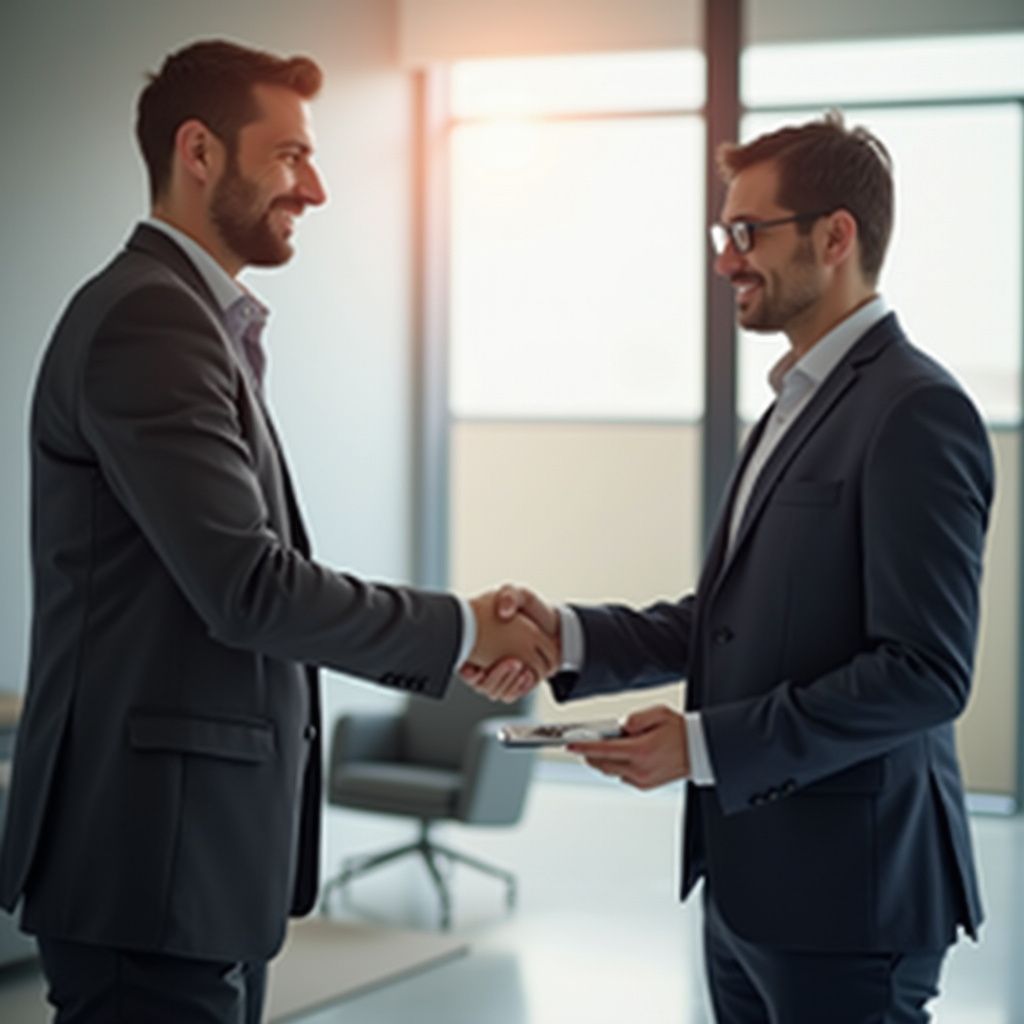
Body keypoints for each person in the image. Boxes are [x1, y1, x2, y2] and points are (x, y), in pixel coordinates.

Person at [0, 39, 556, 1024]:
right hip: (151, 863)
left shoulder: (186, 320)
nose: (318, 188)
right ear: (200, 151)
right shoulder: (150, 323)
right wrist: (463, 629)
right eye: (292, 154)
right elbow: (249, 587)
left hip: (185, 870)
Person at [466, 112, 993, 1023]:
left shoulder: (916, 411)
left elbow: (924, 674)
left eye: (748, 234)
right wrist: (566, 636)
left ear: (836, 237)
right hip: (750, 887)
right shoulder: (794, 402)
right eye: (724, 234)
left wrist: (704, 745)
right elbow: (728, 617)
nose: (725, 260)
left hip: (851, 900)